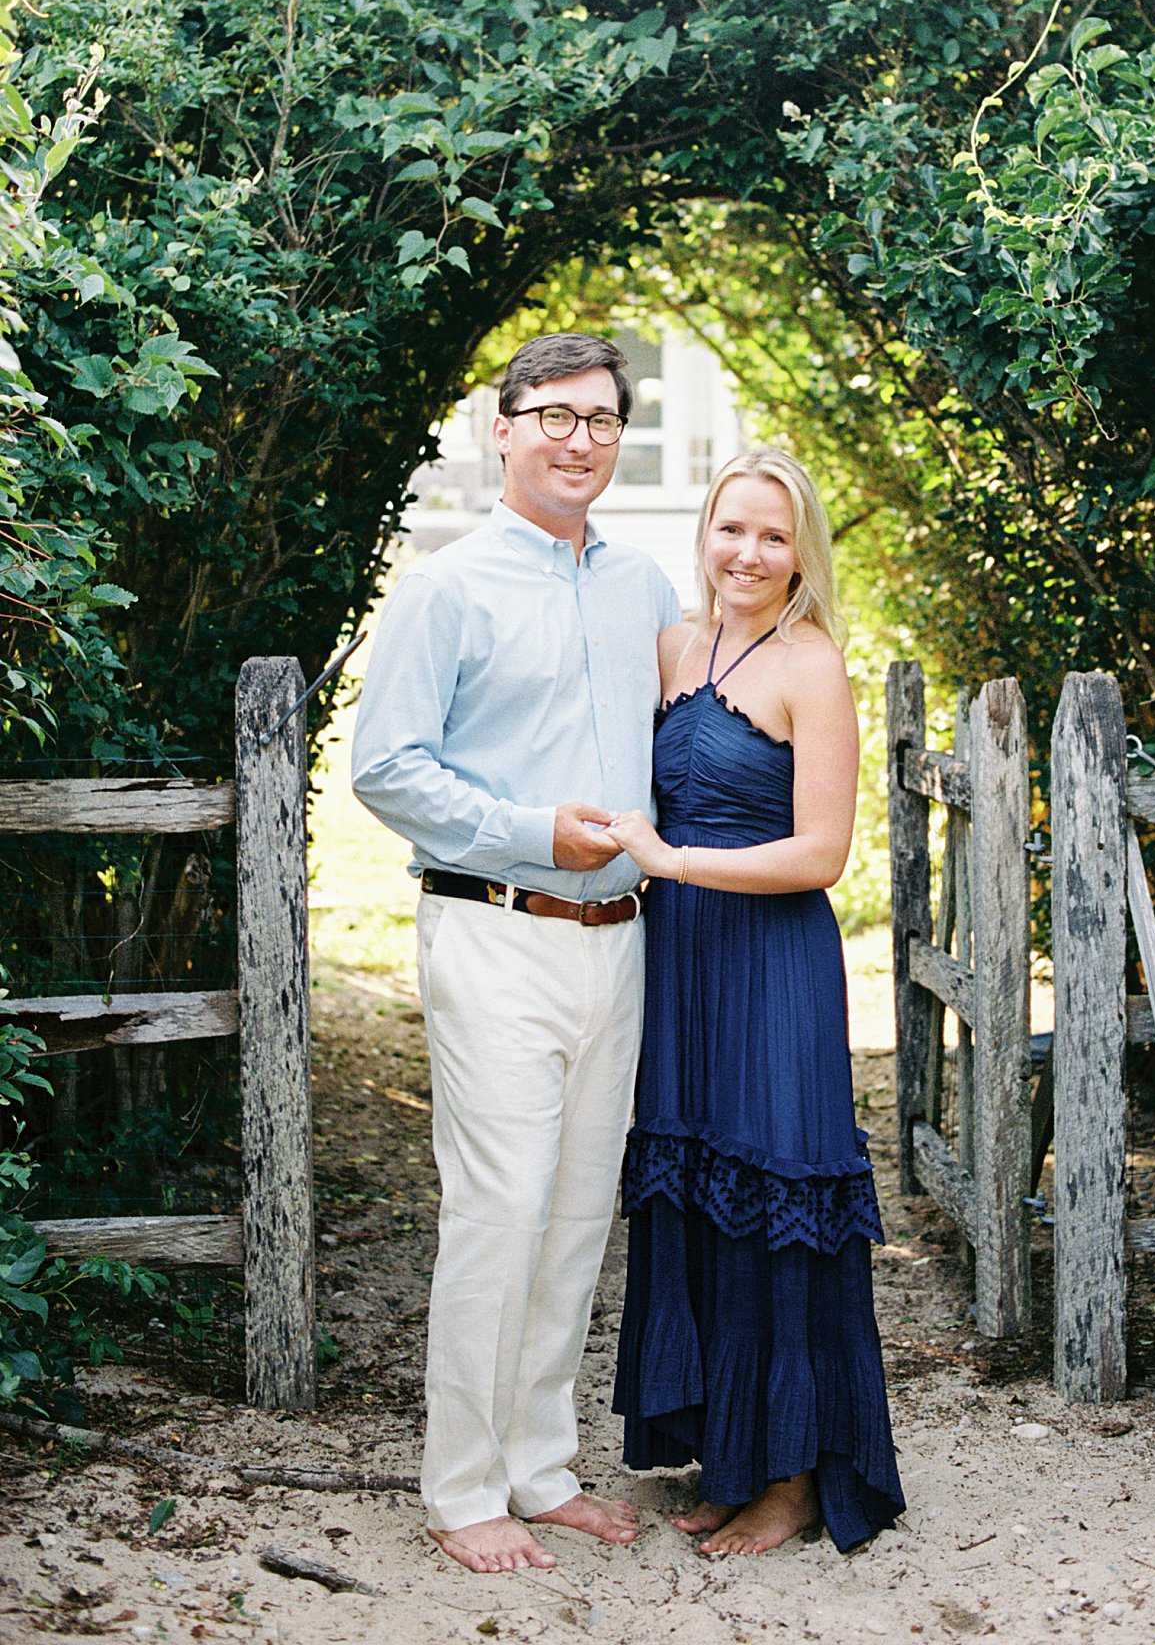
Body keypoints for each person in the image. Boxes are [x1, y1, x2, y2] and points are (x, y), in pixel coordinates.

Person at [351, 332, 679, 1575]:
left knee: (579, 1210)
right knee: (496, 1209)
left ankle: (539, 1463)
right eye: (553, 414)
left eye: (599, 418)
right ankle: (461, 1483)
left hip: (618, 939)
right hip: (492, 927)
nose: (578, 437)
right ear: (502, 428)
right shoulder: (447, 585)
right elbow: (384, 764)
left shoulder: (640, 586)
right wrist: (528, 828)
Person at [604, 446, 906, 1556]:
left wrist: (668, 860)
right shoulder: (677, 644)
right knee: (695, 1188)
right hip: (678, 961)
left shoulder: (810, 663)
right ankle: (729, 1454)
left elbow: (822, 852)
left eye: (773, 535)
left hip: (770, 961)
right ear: (705, 532)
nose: (748, 551)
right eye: (732, 528)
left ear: (801, 552)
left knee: (774, 1194)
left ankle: (792, 1478)